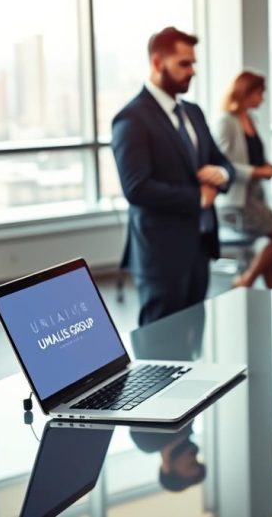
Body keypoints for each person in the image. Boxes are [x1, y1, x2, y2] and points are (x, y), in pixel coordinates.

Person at [112, 26, 234, 326]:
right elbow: (136, 188)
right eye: (184, 63)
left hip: (200, 244)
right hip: (160, 253)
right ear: (157, 63)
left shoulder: (193, 112)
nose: (192, 71)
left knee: (194, 334)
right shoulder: (132, 118)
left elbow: (222, 162)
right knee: (159, 341)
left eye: (193, 63)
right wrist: (198, 198)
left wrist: (220, 174)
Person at [213, 71, 272, 288]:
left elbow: (256, 158)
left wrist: (270, 167)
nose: (262, 99)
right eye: (259, 93)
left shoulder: (252, 119)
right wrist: (258, 172)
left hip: (256, 196)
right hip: (237, 202)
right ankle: (246, 280)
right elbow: (223, 165)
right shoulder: (226, 122)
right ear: (245, 93)